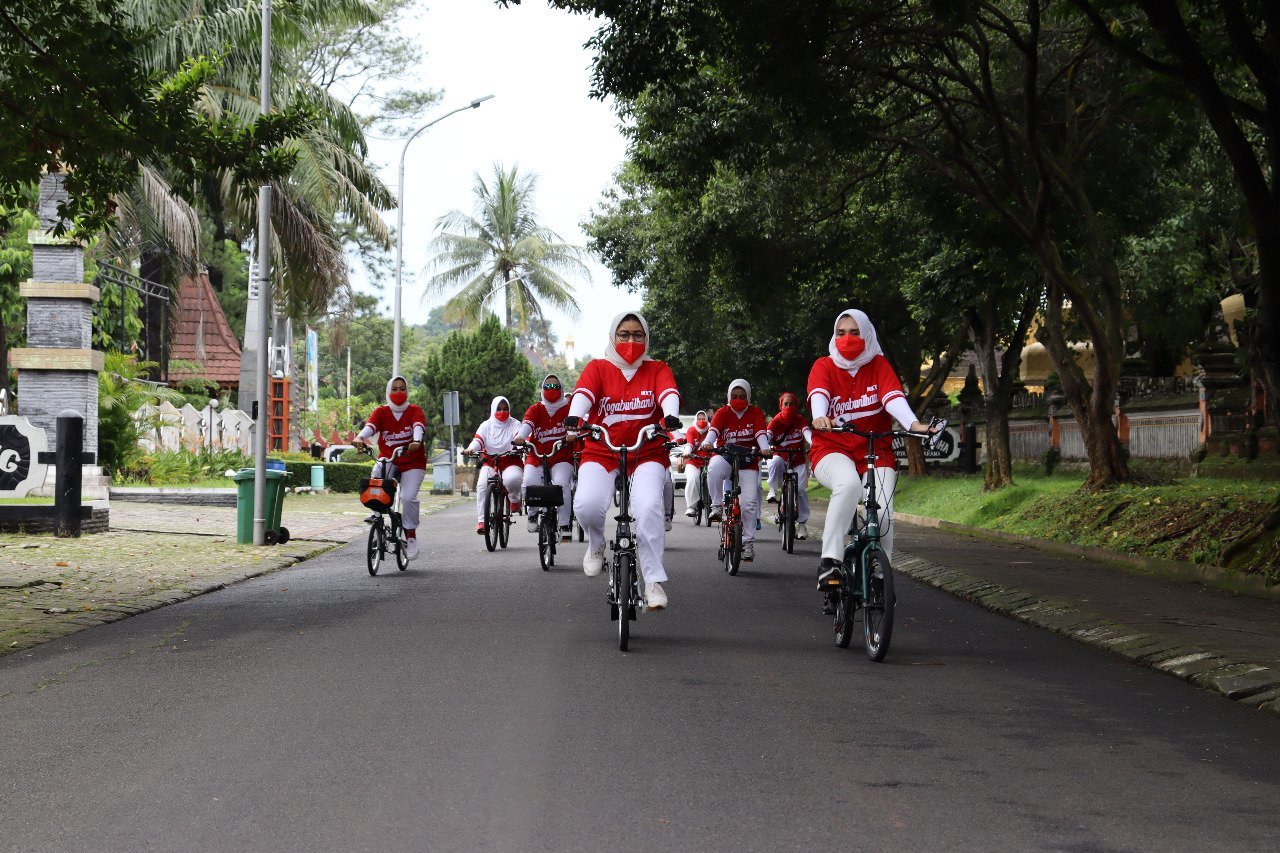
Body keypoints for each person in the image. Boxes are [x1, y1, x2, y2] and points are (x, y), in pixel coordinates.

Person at [808, 309, 933, 591]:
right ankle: (829, 561)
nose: (847, 339)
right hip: (831, 447)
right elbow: (819, 394)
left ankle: (879, 574)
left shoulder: (878, 365)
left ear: (866, 335)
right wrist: (819, 416)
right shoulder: (823, 366)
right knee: (849, 485)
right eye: (841, 333)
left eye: (854, 333)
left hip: (875, 450)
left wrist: (913, 423)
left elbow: (892, 397)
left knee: (884, 514)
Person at [566, 311, 682, 610]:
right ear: (613, 337)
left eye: (638, 335)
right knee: (587, 505)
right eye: (624, 335)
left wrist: (669, 415)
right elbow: (583, 394)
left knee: (648, 508)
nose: (631, 341)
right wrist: (575, 416)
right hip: (602, 449)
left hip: (647, 451)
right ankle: (596, 545)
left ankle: (653, 581)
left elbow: (669, 392)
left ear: (646, 337)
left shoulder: (657, 368)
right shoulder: (598, 367)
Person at [353, 376, 427, 560]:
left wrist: (417, 441)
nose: (399, 392)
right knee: (377, 472)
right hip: (390, 459)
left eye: (402, 389)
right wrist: (360, 438)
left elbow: (419, 427)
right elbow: (370, 427)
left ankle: (410, 535)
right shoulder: (381, 412)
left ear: (407, 391)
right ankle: (376, 514)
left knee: (407, 497)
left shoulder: (415, 410)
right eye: (394, 389)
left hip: (413, 462)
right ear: (388, 392)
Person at [700, 379, 771, 563]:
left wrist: (764, 447)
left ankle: (747, 544)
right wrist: (708, 442)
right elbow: (713, 431)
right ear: (729, 396)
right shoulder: (723, 412)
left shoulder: (755, 412)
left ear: (748, 397)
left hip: (748, 461)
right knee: (713, 467)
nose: (738, 400)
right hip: (727, 456)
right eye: (734, 396)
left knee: (749, 504)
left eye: (742, 397)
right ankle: (716, 506)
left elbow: (761, 434)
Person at [516, 374, 574, 540]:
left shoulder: (568, 408)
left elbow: (573, 423)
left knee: (562, 484)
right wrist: (521, 437)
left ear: (562, 389)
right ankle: (532, 514)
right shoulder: (536, 409)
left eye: (555, 386)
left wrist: (571, 434)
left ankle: (564, 524)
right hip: (537, 456)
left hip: (562, 456)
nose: (551, 390)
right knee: (528, 482)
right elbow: (527, 424)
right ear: (542, 390)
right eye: (547, 387)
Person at [464, 396, 525, 536]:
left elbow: (519, 436)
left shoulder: (515, 424)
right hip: (490, 461)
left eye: (505, 409)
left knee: (513, 479)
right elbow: (478, 440)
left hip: (510, 461)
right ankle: (482, 522)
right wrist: (470, 449)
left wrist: (520, 441)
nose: (502, 411)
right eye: (498, 409)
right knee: (481, 485)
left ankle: (514, 500)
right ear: (493, 409)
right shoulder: (486, 425)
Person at [765, 391, 813, 540]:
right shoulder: (776, 421)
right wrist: (764, 445)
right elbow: (768, 435)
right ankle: (773, 490)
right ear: (781, 405)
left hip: (797, 459)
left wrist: (813, 443)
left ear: (796, 406)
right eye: (785, 404)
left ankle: (802, 525)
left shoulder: (800, 420)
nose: (788, 406)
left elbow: (807, 433)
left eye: (791, 404)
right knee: (775, 461)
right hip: (781, 457)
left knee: (800, 490)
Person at [677, 410, 711, 517]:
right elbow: (690, 443)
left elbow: (715, 443)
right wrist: (687, 452)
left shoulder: (711, 430)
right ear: (696, 420)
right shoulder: (691, 430)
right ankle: (691, 507)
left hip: (708, 460)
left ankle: (715, 505)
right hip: (693, 460)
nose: (701, 421)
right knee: (693, 478)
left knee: (714, 477)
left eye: (703, 418)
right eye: (699, 419)